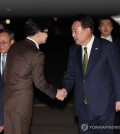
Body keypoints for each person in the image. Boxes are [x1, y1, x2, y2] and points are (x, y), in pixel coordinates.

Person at [58, 14, 120, 134]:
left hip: (104, 107)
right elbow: (70, 74)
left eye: (75, 31)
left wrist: (119, 98)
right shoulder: (73, 50)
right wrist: (65, 88)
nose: (72, 35)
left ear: (87, 31)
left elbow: (116, 74)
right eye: (72, 31)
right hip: (83, 108)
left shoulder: (107, 47)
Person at [2, 18, 64, 134]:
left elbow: (6, 73)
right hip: (21, 106)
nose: (47, 35)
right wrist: (56, 92)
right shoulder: (37, 54)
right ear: (38, 33)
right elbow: (39, 82)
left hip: (8, 102)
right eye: (46, 31)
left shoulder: (14, 47)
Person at [98, 16, 120, 134]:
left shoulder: (118, 44)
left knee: (115, 124)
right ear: (99, 27)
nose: (105, 27)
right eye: (103, 24)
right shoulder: (92, 44)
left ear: (112, 28)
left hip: (115, 89)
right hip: (98, 91)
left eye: (108, 24)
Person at [0, 29, 15, 133]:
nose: (0, 45)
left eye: (4, 42)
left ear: (12, 42)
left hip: (14, 111)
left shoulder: (19, 60)